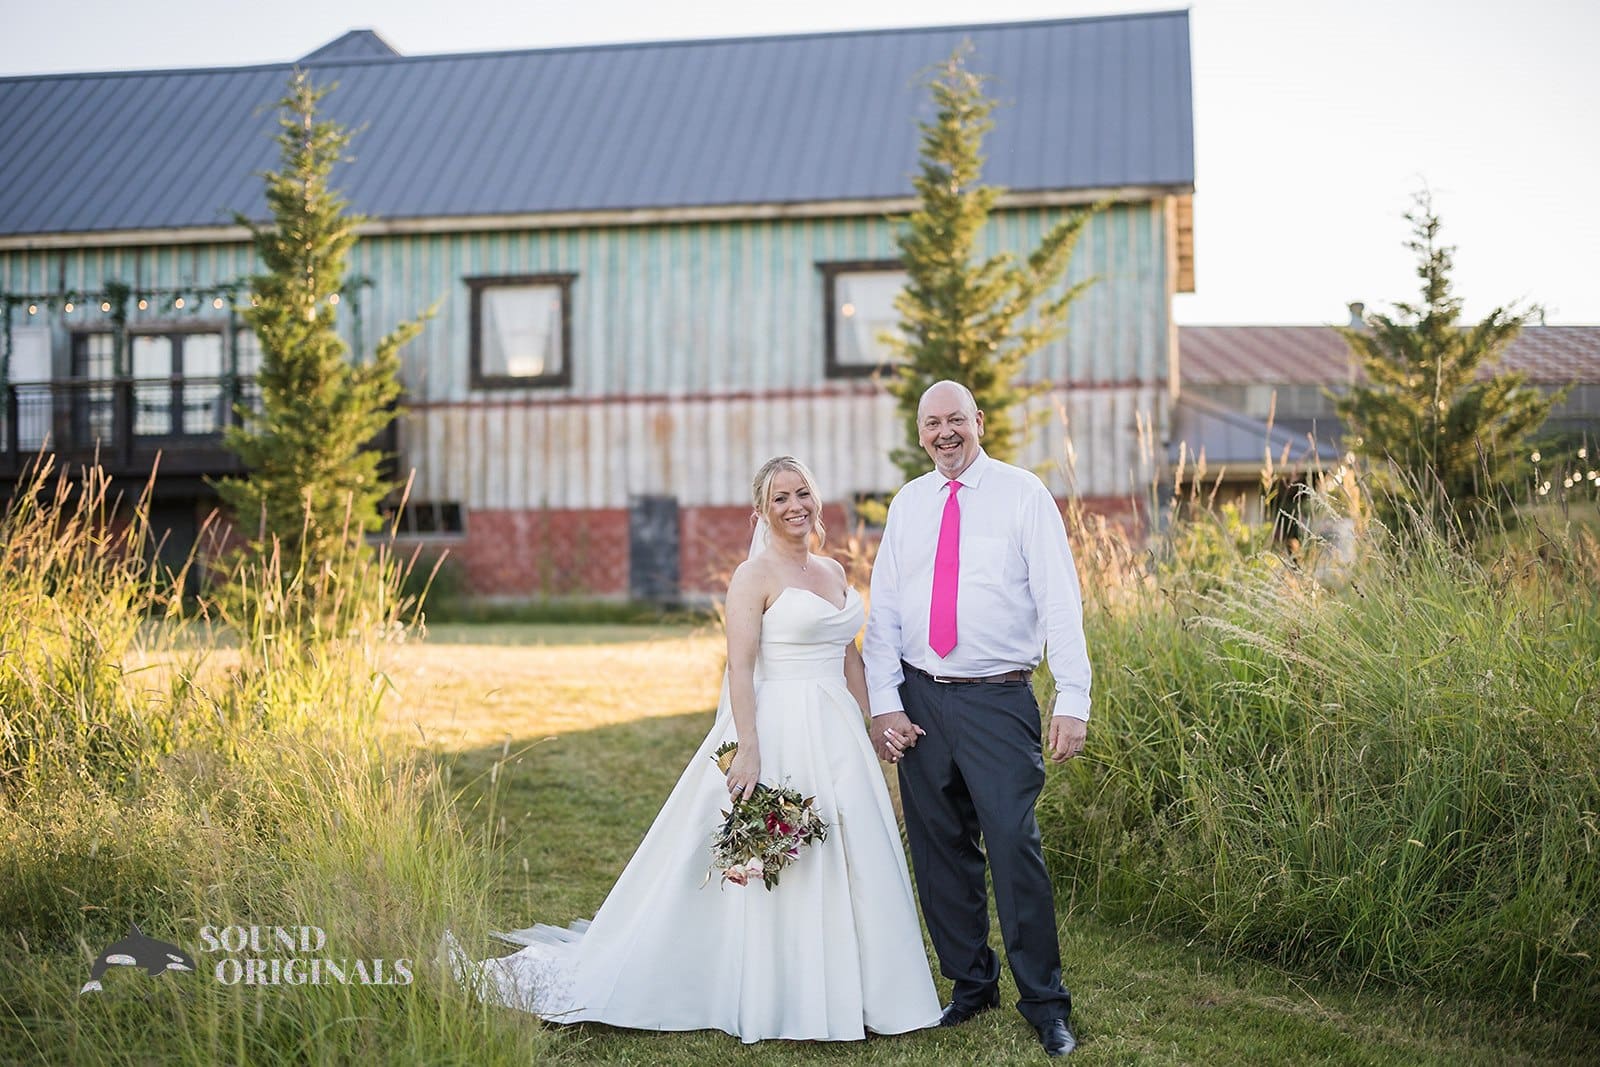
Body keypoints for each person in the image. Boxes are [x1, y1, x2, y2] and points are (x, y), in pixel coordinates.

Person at [453, 456, 941, 1043]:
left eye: (802, 493)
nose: (795, 506)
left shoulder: (835, 572)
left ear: (816, 500)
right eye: (780, 497)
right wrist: (750, 749)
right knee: (784, 858)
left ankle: (867, 992)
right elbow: (739, 668)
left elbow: (848, 656)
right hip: (779, 725)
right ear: (761, 510)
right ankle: (782, 992)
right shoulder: (752, 577)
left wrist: (877, 719)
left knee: (852, 850)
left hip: (838, 732)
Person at [862, 380, 1091, 1058]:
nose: (944, 433)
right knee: (937, 846)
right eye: (932, 423)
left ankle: (1045, 1002)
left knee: (1014, 844)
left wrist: (1072, 696)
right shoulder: (908, 503)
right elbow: (887, 612)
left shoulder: (1023, 494)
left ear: (978, 421)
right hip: (921, 694)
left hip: (998, 696)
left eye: (955, 419)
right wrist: (885, 700)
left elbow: (1060, 601)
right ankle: (971, 984)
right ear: (921, 431)